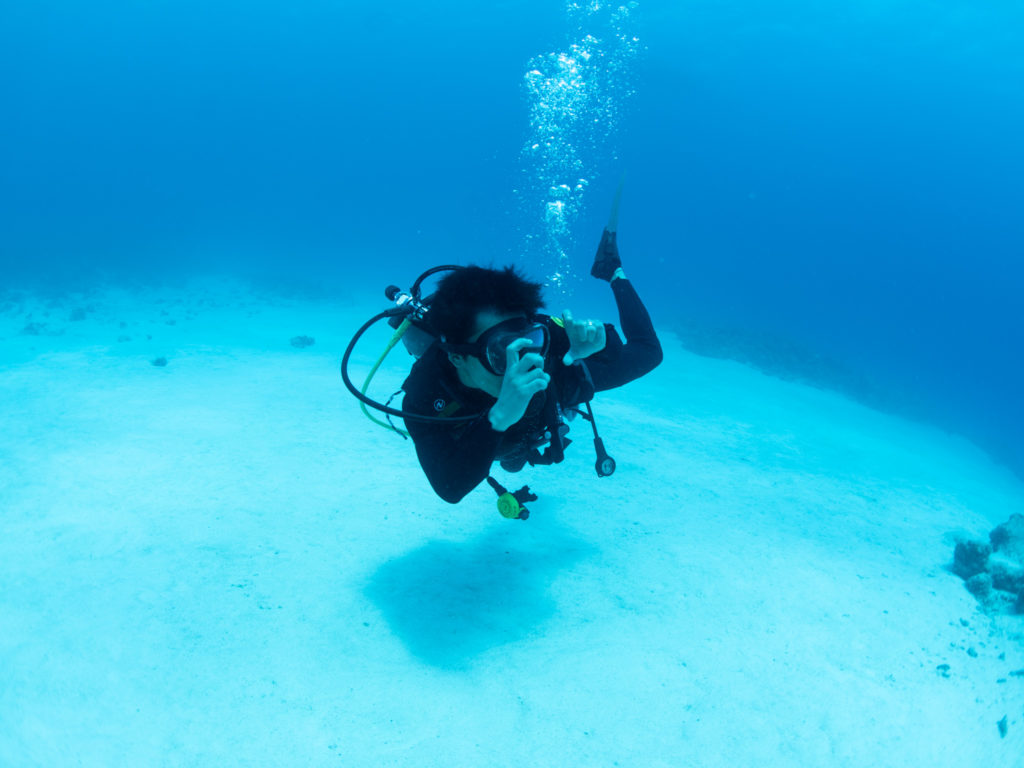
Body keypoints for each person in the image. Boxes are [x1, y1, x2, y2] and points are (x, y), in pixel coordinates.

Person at [401, 229, 662, 504]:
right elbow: (450, 488)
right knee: (510, 459)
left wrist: (597, 344)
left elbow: (625, 347)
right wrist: (499, 416)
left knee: (649, 354)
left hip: (551, 390)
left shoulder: (544, 338)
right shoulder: (426, 395)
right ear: (458, 357)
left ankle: (612, 271)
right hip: (489, 435)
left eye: (529, 341)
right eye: (501, 352)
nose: (523, 361)